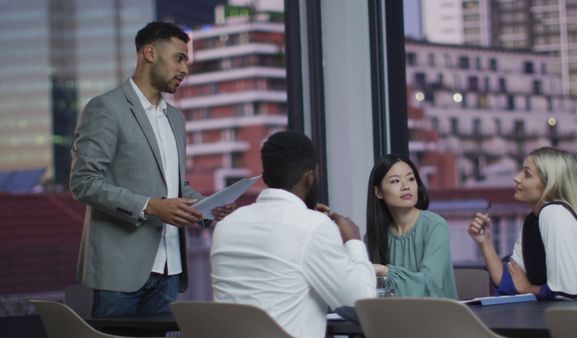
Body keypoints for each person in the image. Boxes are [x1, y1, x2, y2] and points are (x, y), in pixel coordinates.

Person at [70, 21, 232, 318]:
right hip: (120, 272)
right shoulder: (106, 108)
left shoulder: (176, 119)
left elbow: (174, 185)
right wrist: (150, 207)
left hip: (170, 270)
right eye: (179, 58)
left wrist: (209, 208)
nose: (185, 69)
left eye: (187, 61)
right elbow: (84, 182)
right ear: (149, 53)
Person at [210, 131, 376, 338]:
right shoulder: (314, 227)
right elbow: (363, 304)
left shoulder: (226, 226)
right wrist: (353, 241)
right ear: (309, 177)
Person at [468, 147, 577, 299]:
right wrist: (485, 243)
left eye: (527, 174)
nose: (517, 178)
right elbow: (510, 281)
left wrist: (527, 288)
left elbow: (566, 294)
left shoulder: (554, 214)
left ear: (549, 184)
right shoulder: (533, 221)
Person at [365, 154, 457, 298]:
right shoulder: (374, 236)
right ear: (378, 192)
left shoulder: (435, 226)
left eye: (411, 179)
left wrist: (386, 271)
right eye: (395, 181)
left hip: (436, 316)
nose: (406, 186)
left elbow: (430, 285)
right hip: (393, 317)